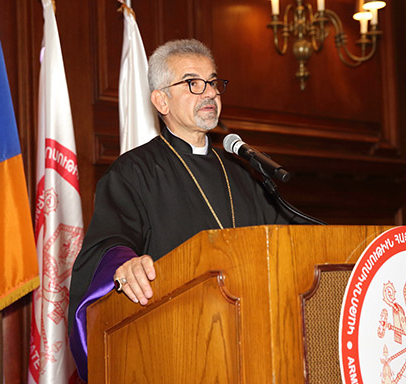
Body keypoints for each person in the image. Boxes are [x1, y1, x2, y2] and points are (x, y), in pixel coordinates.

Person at [68, 38, 306, 380]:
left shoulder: (241, 171)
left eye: (213, 82)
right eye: (193, 83)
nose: (209, 93)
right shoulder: (133, 172)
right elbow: (109, 242)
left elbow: (289, 241)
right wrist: (124, 266)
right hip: (177, 350)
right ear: (161, 100)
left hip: (255, 346)